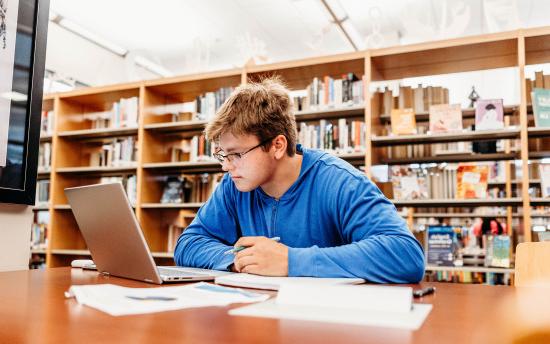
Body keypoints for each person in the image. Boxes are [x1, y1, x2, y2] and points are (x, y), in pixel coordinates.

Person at [174, 78, 425, 283]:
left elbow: (406, 255)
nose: (226, 166)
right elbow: (188, 244)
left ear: (278, 145)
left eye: (236, 154)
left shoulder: (340, 182)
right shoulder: (234, 185)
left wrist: (290, 261)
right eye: (222, 154)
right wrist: (238, 259)